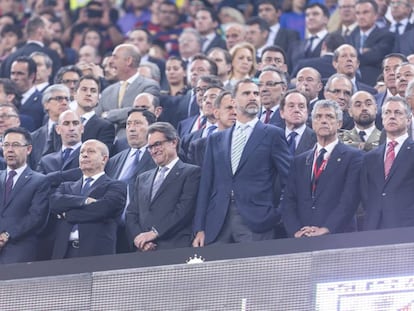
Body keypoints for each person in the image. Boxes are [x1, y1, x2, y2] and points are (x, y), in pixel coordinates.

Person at [193, 78, 291, 246]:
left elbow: (289, 179)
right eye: (246, 93)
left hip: (257, 221)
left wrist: (277, 214)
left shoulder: (273, 134)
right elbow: (206, 186)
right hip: (217, 222)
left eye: (256, 94)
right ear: (234, 100)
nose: (253, 97)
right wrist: (199, 227)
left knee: (255, 272)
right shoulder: (216, 139)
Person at [281, 100, 363, 238]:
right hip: (303, 237)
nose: (323, 120)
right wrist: (296, 231)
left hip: (339, 236)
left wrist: (327, 229)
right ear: (312, 124)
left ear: (339, 123)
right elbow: (289, 200)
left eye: (329, 116)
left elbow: (349, 200)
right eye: (318, 117)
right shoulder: (300, 161)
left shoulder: (353, 157)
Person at [126, 122, 201, 251]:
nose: (154, 150)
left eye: (158, 144)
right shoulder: (142, 178)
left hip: (175, 247)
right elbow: (132, 213)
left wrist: (154, 233)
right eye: (150, 147)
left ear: (174, 142)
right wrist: (140, 239)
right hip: (144, 251)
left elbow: (184, 210)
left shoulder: (191, 172)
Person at [50, 139, 127, 259]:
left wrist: (67, 214)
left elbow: (103, 210)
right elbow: (55, 203)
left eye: (91, 151)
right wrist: (84, 201)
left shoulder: (116, 185)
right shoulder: (66, 186)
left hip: (96, 253)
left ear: (104, 159)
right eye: (82, 152)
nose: (84, 155)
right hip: (63, 253)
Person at [106, 108, 157, 253]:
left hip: (144, 235)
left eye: (137, 123)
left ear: (151, 128)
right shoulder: (115, 160)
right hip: (114, 234)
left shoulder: (159, 156)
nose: (132, 128)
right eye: (128, 124)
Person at [362, 97, 414, 230]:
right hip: (375, 227)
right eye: (387, 113)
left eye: (398, 112)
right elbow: (366, 194)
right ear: (382, 119)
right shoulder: (370, 157)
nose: (392, 116)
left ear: (408, 120)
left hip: (407, 226)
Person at [0, 127, 50, 264]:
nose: (10, 149)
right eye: (6, 145)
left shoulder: (40, 181)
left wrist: (7, 235)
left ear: (28, 149)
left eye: (15, 145)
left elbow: (36, 217)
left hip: (19, 250)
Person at [96, 43, 160, 138]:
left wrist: (108, 115)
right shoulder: (107, 91)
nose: (110, 62)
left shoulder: (149, 86)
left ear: (129, 61)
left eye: (115, 57)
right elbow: (98, 119)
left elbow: (144, 112)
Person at [347, 0, 395, 86]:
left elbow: (375, 57)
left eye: (366, 12)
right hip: (350, 82)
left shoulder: (387, 35)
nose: (361, 16)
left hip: (374, 82)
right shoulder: (350, 35)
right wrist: (363, 51)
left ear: (376, 15)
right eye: (358, 13)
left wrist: (354, 53)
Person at [187, 90, 237, 167]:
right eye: (229, 108)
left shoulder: (248, 143)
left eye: (237, 108)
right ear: (216, 113)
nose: (234, 112)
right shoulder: (197, 147)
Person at [30, 84, 70, 168]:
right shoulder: (33, 137)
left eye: (67, 99)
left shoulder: (75, 132)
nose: (64, 102)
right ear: (46, 104)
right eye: (59, 99)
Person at [74, 75, 115, 152]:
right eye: (84, 89)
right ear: (75, 94)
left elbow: (102, 155)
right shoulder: (62, 122)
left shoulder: (105, 127)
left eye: (93, 91)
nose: (88, 94)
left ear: (98, 98)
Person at [10, 56, 44, 130]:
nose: (14, 78)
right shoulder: (7, 99)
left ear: (32, 76)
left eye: (20, 73)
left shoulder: (42, 101)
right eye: (12, 73)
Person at [279, 90, 317, 155]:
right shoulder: (274, 137)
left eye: (301, 106)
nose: (296, 110)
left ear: (307, 112)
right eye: (291, 106)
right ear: (282, 113)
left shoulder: (317, 139)